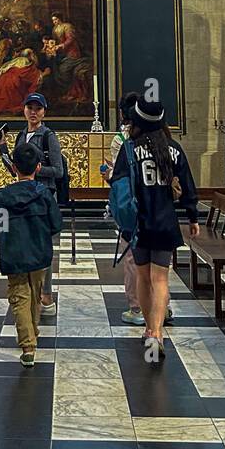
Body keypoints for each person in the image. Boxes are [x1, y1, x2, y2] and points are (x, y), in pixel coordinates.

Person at [109, 98, 199, 361]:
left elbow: (118, 184)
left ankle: (148, 328)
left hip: (139, 224)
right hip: (164, 222)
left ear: (136, 121)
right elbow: (188, 186)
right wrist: (193, 216)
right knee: (160, 280)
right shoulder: (174, 149)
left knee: (143, 277)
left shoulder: (129, 149)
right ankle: (157, 334)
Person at [0, 141, 62, 368]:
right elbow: (55, 224)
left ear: (14, 167)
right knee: (35, 292)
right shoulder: (44, 194)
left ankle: (28, 345)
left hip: (13, 253)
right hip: (39, 251)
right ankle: (32, 334)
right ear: (39, 168)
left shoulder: (2, 197)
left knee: (20, 297)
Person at [0, 91, 65, 312]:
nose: (33, 112)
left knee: (43, 246)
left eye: (38, 108)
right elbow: (14, 169)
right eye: (30, 108)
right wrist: (2, 148)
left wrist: (37, 169)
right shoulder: (21, 135)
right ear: (24, 110)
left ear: (44, 112)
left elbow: (58, 171)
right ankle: (30, 294)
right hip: (24, 195)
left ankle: (46, 296)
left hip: (43, 196)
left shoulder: (48, 136)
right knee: (25, 244)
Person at [100, 91, 144, 326]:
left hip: (131, 206)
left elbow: (118, 176)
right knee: (157, 260)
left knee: (131, 256)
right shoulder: (155, 136)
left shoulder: (120, 140)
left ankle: (137, 307)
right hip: (155, 207)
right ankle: (162, 307)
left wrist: (107, 173)